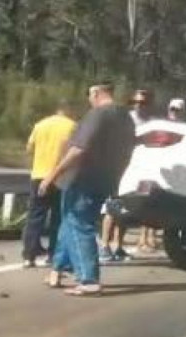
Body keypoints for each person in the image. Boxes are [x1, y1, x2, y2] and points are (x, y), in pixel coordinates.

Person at [40, 82, 136, 295]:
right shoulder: (125, 118)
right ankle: (57, 270)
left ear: (96, 93)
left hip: (82, 179)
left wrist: (52, 175)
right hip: (105, 179)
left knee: (78, 223)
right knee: (69, 223)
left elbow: (79, 149)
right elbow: (127, 149)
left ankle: (88, 279)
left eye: (89, 95)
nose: (89, 100)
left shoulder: (98, 115)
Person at [99, 88, 153, 262]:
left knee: (127, 210)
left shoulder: (151, 122)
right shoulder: (126, 118)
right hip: (120, 167)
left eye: (143, 103)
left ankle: (119, 246)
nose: (139, 106)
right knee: (112, 207)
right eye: (135, 102)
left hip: (141, 169)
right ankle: (105, 246)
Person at [21, 100, 75, 268]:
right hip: (61, 177)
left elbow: (29, 149)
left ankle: (29, 256)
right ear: (69, 111)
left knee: (35, 216)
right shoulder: (73, 126)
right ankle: (53, 255)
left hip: (39, 176)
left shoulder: (40, 125)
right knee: (58, 217)